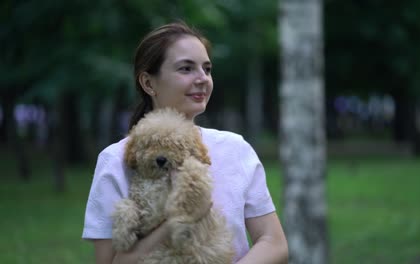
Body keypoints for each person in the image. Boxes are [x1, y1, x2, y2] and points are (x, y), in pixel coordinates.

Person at [82, 21, 288, 264]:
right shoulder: (117, 159)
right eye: (186, 69)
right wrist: (175, 223)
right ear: (148, 83)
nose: (202, 79)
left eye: (207, 69)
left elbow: (274, 242)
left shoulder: (235, 149)